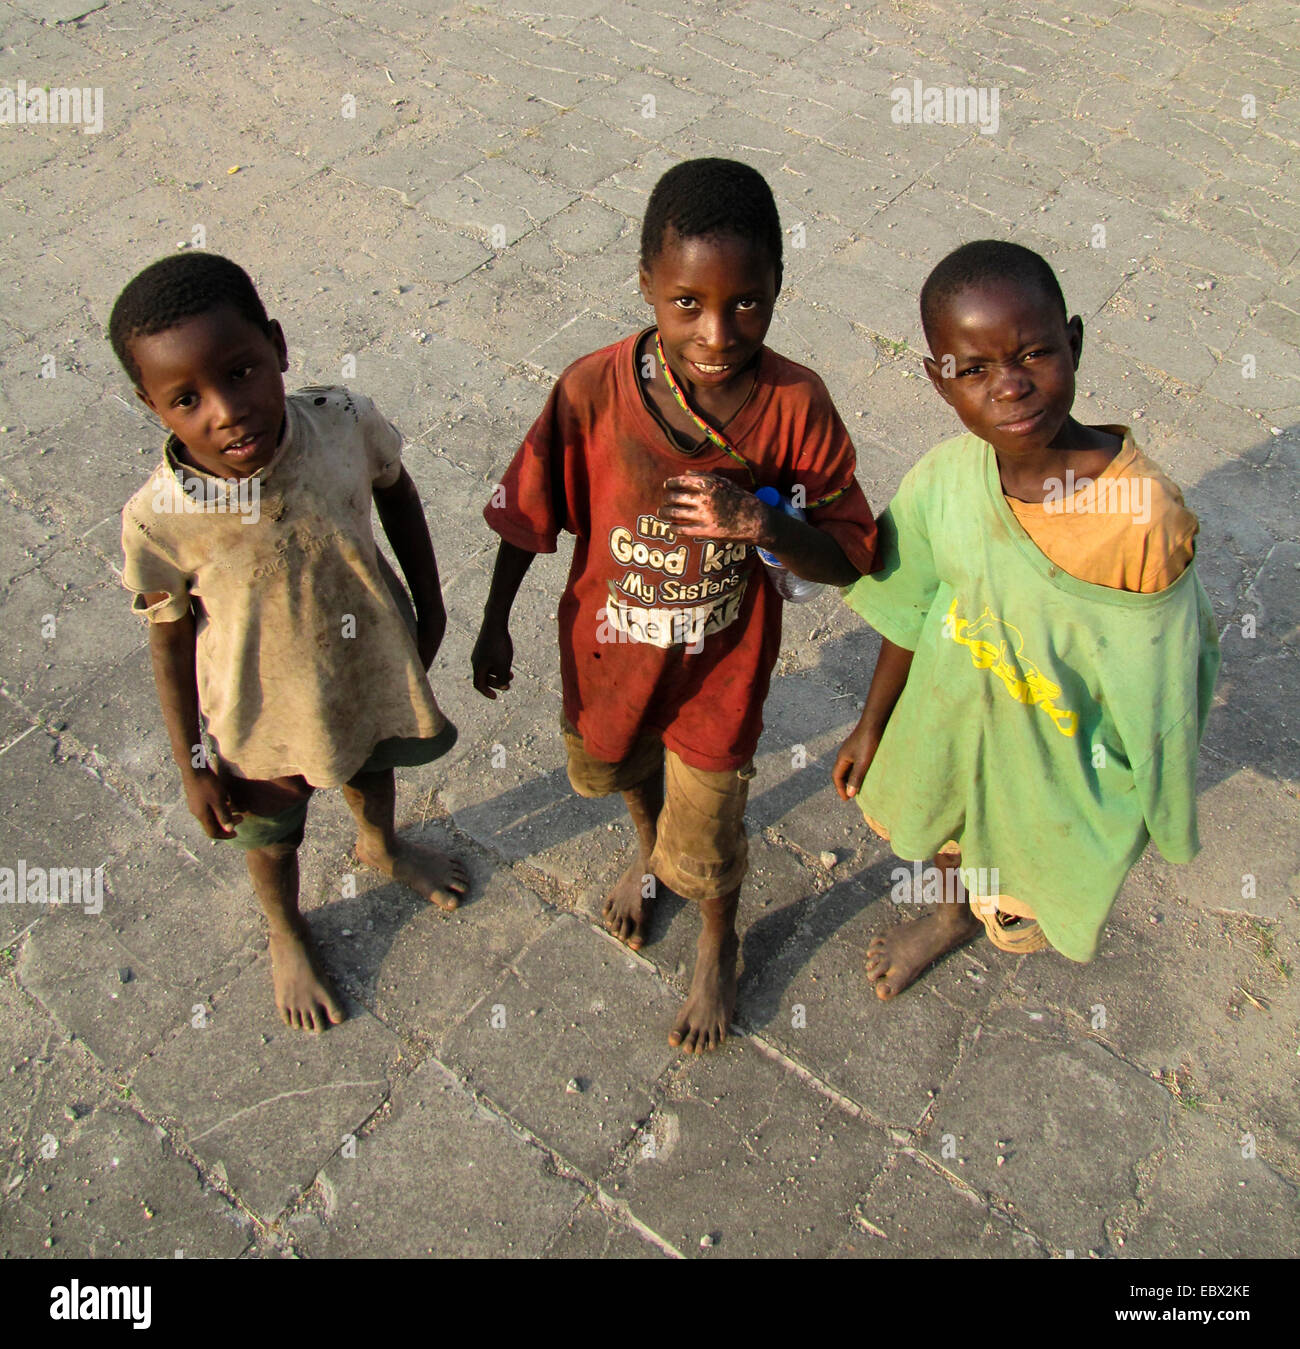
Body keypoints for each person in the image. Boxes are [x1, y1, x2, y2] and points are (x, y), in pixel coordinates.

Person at [473, 159, 877, 1051]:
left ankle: (716, 943)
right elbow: (530, 510)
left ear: (778, 289)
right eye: (687, 301)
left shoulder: (794, 404)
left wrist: (761, 518)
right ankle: (647, 856)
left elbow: (849, 554)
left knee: (716, 833)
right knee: (625, 770)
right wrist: (494, 618)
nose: (717, 331)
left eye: (747, 304)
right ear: (646, 283)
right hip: (609, 653)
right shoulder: (592, 389)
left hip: (718, 672)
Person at [832, 239, 1219, 998]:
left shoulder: (1143, 520)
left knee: (1026, 875)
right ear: (939, 381)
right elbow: (908, 607)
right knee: (946, 832)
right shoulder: (946, 480)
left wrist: (1156, 808)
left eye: (1035, 353)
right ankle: (947, 917)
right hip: (952, 721)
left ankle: (1005, 905)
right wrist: (873, 723)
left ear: (1073, 342)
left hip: (1062, 761)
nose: (1010, 386)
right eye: (973, 369)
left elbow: (1168, 685)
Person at [114, 252, 467, 1032]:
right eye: (187, 399)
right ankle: (285, 928)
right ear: (152, 406)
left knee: (374, 770)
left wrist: (431, 604)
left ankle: (380, 845)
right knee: (271, 837)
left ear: (277, 346)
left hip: (366, 666)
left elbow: (396, 493)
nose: (227, 411)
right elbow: (168, 642)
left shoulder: (341, 422)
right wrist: (195, 763)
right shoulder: (159, 519)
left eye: (241, 371)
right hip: (259, 716)